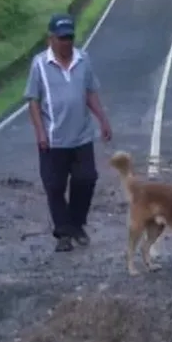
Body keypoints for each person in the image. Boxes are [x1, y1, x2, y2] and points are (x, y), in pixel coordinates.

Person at [24, 13, 113, 252]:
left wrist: (103, 119)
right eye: (62, 38)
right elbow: (33, 100)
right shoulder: (40, 64)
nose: (66, 43)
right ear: (51, 39)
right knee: (54, 186)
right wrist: (40, 132)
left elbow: (90, 92)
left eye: (70, 38)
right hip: (53, 139)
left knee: (87, 178)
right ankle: (64, 233)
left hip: (81, 135)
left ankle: (76, 223)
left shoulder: (83, 60)